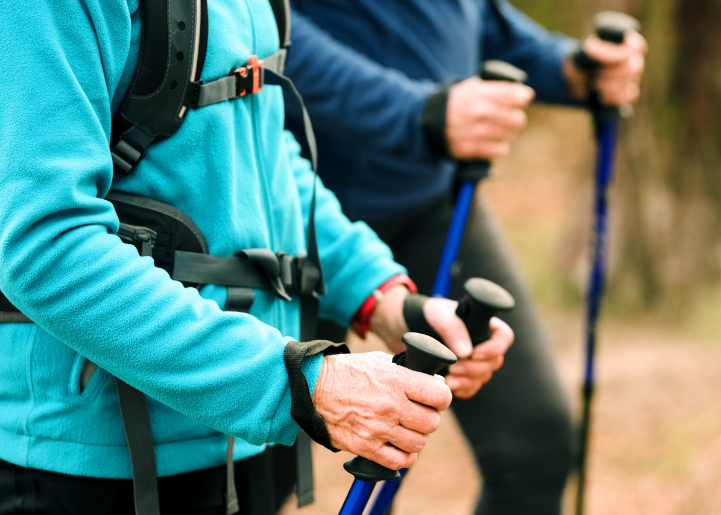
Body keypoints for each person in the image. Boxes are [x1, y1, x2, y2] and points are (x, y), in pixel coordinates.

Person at [0, 0, 512, 513]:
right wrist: (295, 383)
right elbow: (45, 243)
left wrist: (379, 296)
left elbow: (262, 151)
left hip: (242, 432)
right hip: (83, 463)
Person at [283, 1, 646, 512]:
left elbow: (469, 15)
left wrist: (569, 67)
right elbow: (257, 27)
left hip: (433, 206)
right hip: (295, 216)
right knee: (250, 464)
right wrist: (417, 113)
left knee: (533, 445)